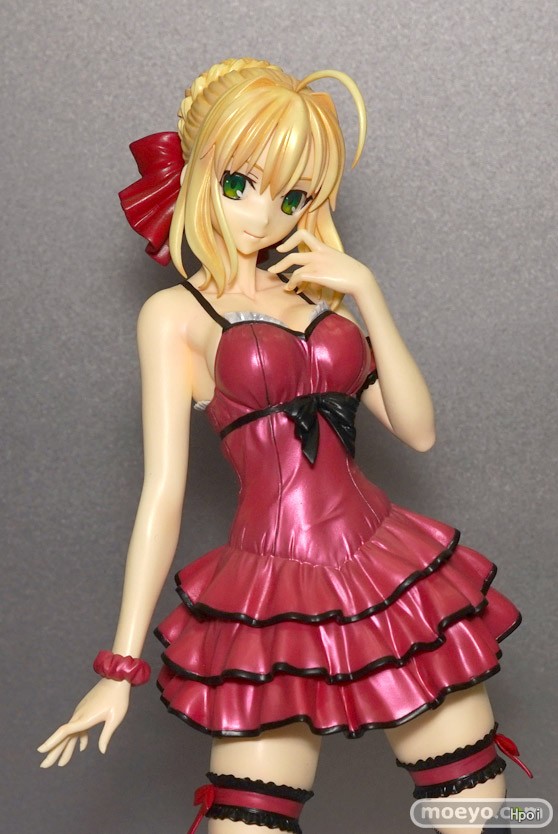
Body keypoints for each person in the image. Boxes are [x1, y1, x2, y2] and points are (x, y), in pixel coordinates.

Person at [38, 58, 530, 834]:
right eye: (241, 184)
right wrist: (120, 665)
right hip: (272, 589)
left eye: (292, 196)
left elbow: (419, 430)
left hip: (384, 567)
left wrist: (367, 292)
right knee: (247, 824)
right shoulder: (175, 316)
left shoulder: (322, 298)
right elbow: (163, 492)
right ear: (197, 174)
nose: (263, 216)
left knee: (474, 803)